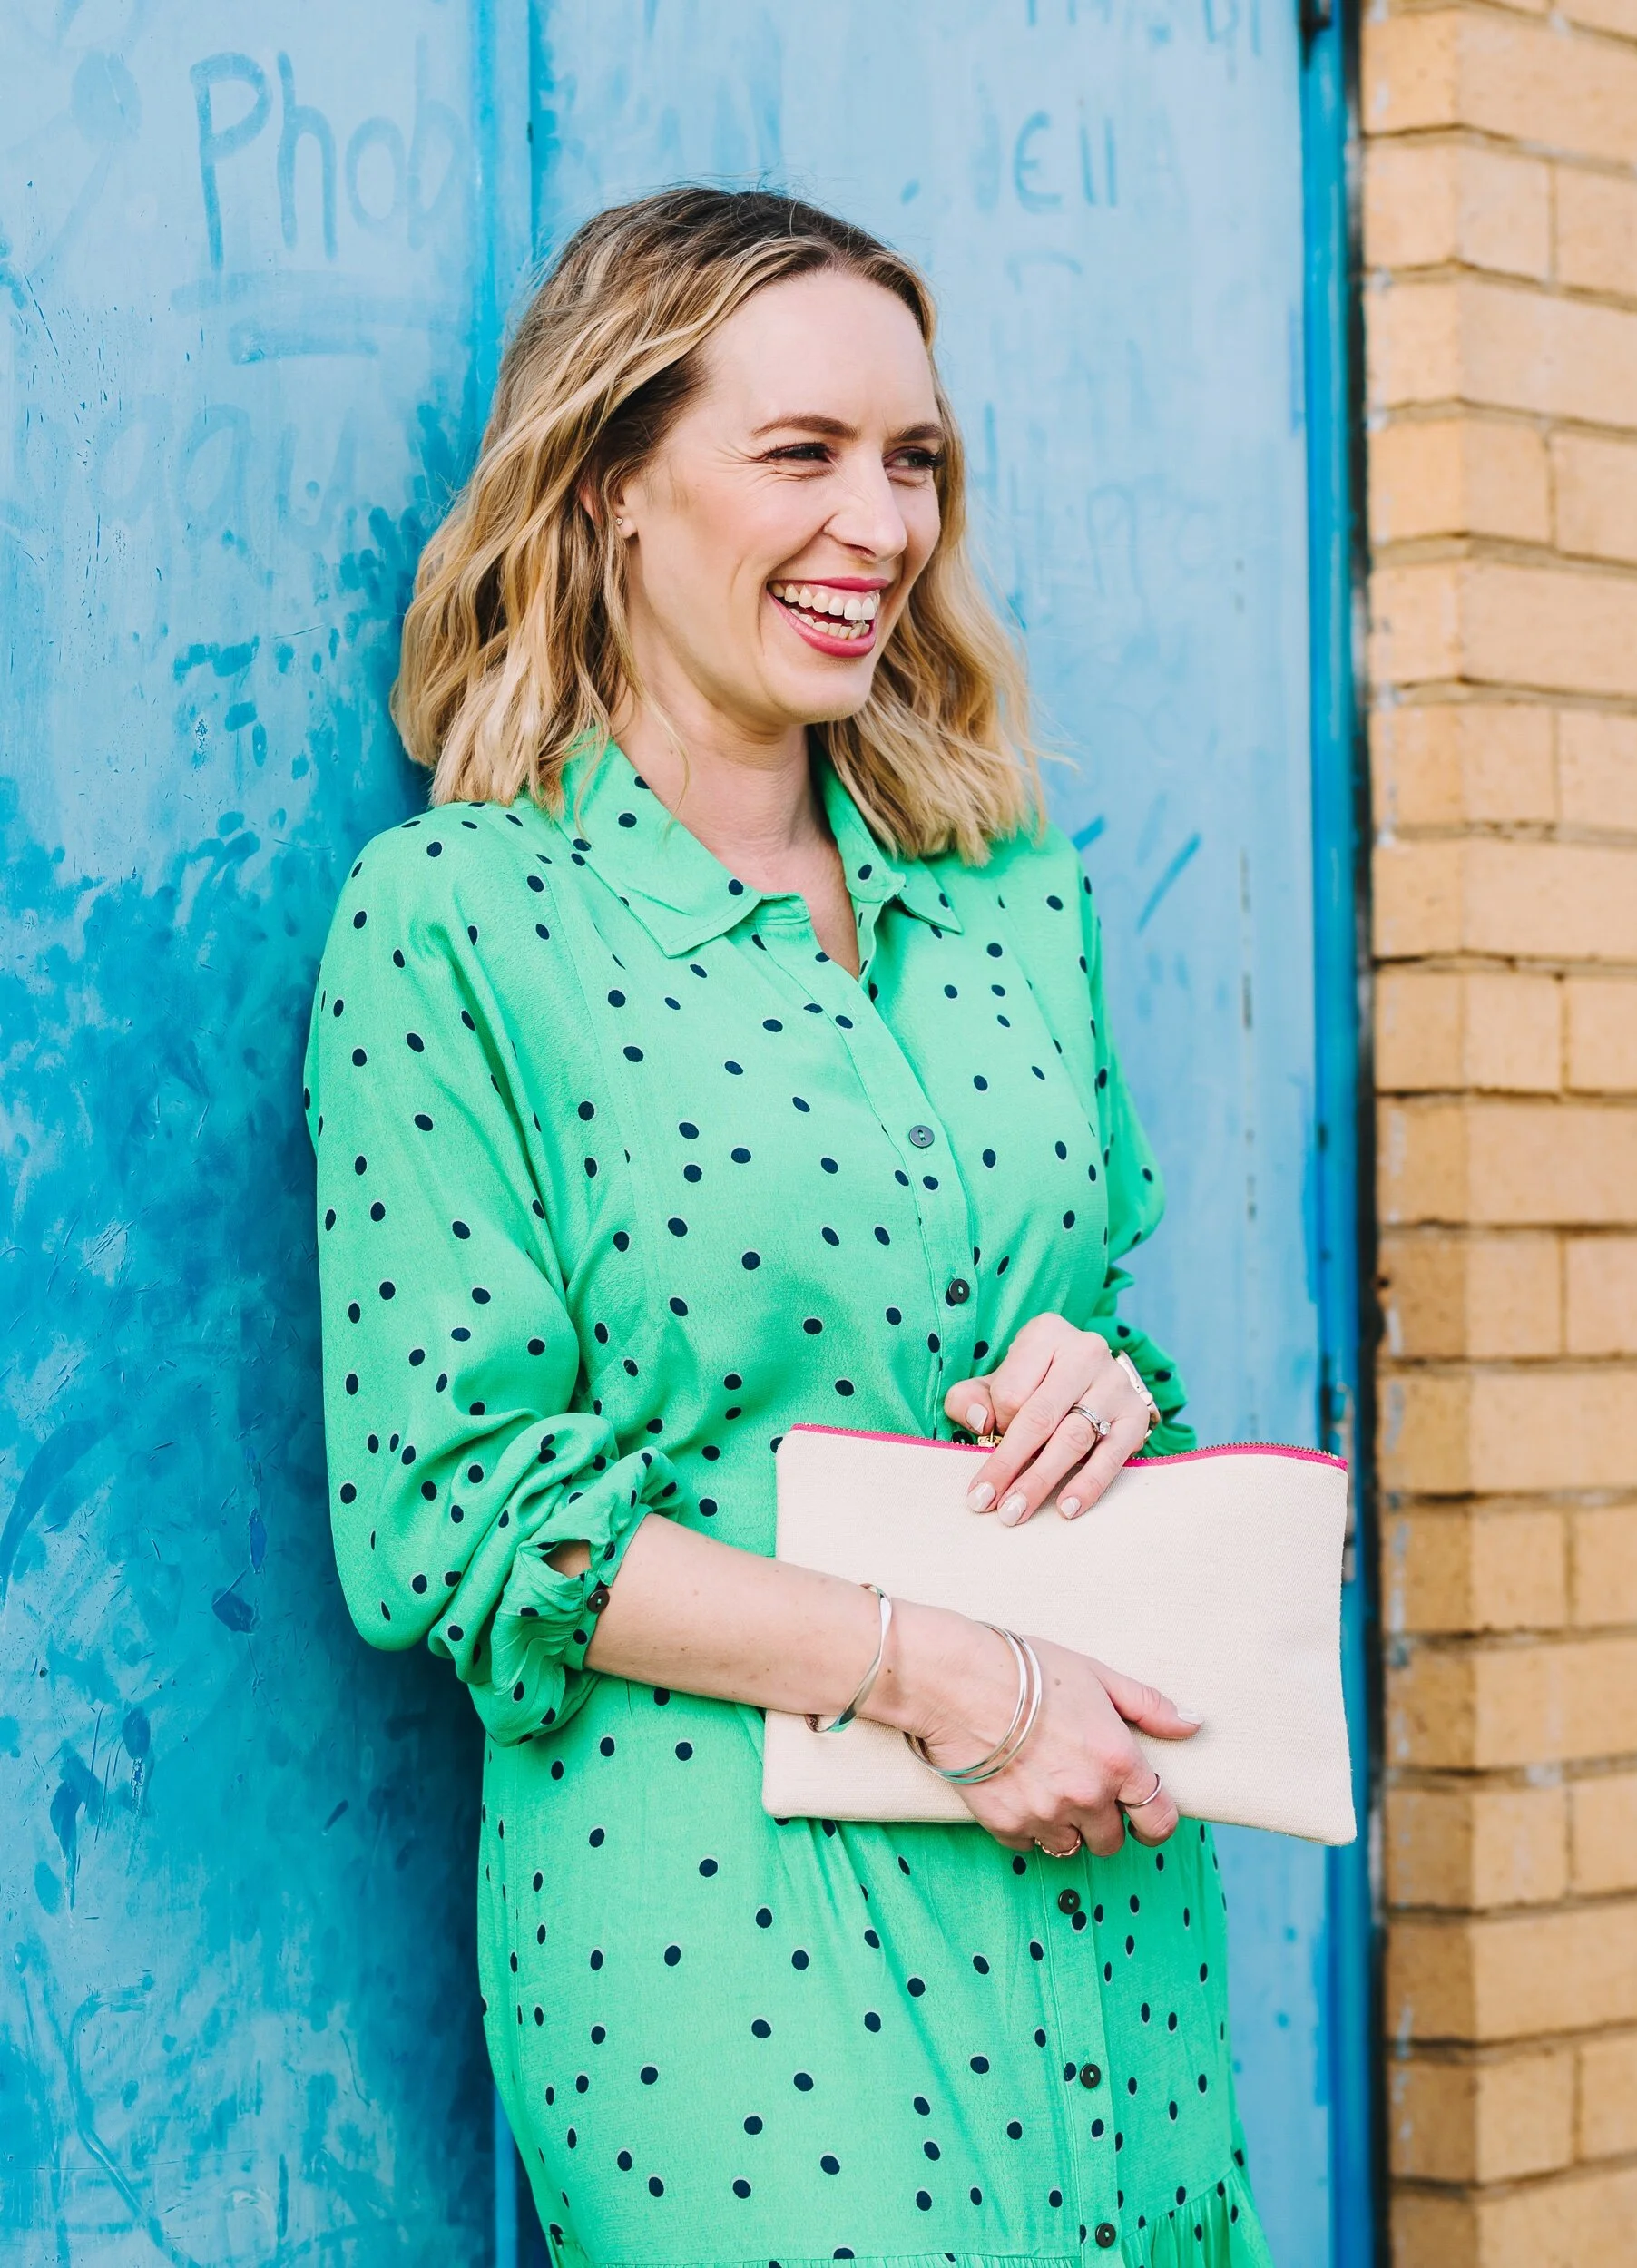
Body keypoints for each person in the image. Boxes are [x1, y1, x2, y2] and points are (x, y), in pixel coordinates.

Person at [305, 185, 1269, 2266]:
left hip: (1086, 1849)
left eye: (914, 459)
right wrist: (948, 1678)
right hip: (722, 1921)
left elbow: (1080, 1315)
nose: (884, 522)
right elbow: (457, 1514)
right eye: (803, 453)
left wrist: (1095, 1379)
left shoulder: (1016, 890)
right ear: (615, 482)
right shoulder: (465, 925)